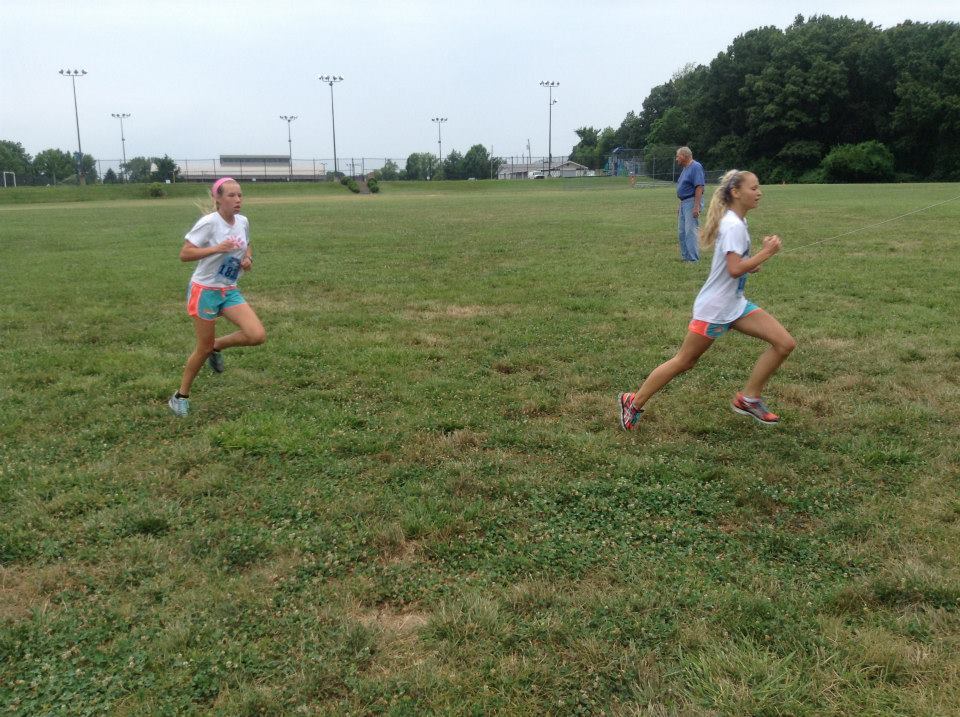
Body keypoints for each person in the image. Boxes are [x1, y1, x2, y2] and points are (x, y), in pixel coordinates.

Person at [619, 169, 796, 428]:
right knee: (685, 361)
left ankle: (749, 398)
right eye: (754, 188)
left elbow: (735, 265)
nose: (759, 193)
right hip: (714, 309)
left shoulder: (738, 221)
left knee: (784, 343)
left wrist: (752, 262)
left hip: (734, 305)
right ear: (736, 192)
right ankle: (633, 401)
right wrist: (766, 253)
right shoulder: (733, 225)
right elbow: (735, 268)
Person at [168, 177, 266, 416]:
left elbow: (248, 244)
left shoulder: (242, 221)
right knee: (201, 349)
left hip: (228, 289)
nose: (238, 200)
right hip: (205, 291)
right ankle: (180, 396)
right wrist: (216, 248)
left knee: (257, 335)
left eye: (240, 195)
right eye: (231, 196)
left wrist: (248, 259)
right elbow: (185, 254)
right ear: (218, 199)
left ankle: (217, 346)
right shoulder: (209, 223)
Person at [675, 146, 705, 262]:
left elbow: (699, 187)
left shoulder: (695, 167)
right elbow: (684, 188)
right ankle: (685, 257)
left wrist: (696, 206)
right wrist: (680, 205)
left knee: (690, 231)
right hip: (684, 203)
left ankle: (693, 259)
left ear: (684, 156)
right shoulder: (685, 169)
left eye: (677, 156)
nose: (676, 159)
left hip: (692, 202)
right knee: (682, 232)